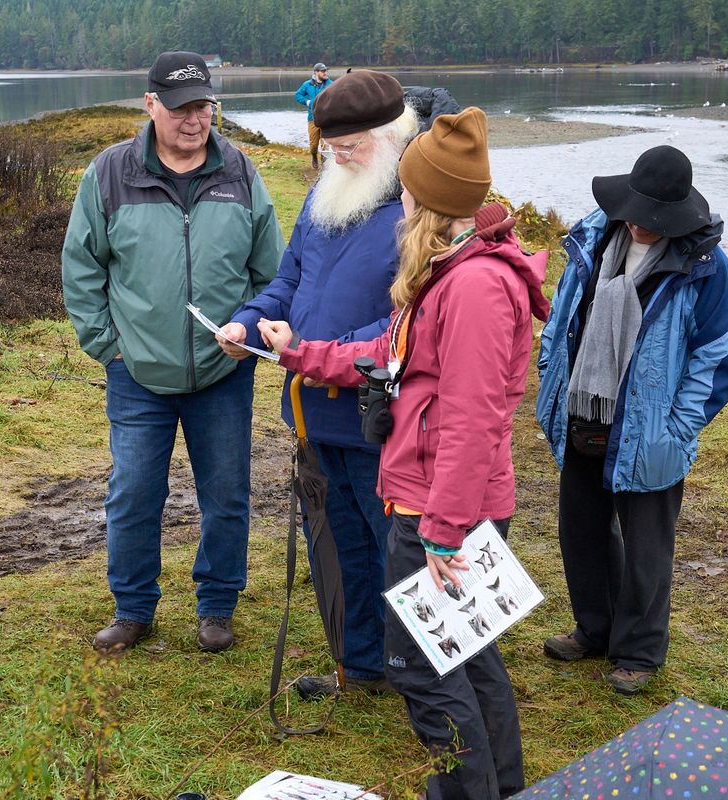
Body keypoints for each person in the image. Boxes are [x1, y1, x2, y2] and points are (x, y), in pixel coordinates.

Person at [259, 107, 548, 800]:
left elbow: (474, 422)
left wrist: (442, 534)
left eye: (411, 187)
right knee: (469, 657)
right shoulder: (451, 270)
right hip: (439, 507)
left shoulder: (475, 286)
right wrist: (299, 352)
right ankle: (499, 787)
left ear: (431, 199)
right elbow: (386, 352)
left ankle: (464, 790)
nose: (402, 196)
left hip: (442, 516)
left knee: (422, 667)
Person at [61, 51, 284, 655]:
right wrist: (109, 348)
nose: (195, 118)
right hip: (137, 375)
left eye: (204, 105)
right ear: (150, 104)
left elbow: (273, 274)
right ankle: (133, 610)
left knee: (227, 493)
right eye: (182, 106)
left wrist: (251, 329)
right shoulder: (108, 174)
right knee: (133, 492)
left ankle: (216, 607)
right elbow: (82, 269)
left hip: (223, 374)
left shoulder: (240, 172)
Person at [217, 70, 420, 699]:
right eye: (332, 146)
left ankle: (413, 672)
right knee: (338, 549)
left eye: (351, 146)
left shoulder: (417, 210)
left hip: (378, 416)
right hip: (311, 411)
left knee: (395, 553)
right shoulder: (323, 195)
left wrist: (313, 353)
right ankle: (359, 668)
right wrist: (247, 322)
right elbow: (289, 283)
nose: (339, 157)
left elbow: (405, 320)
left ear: (391, 135)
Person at [534, 144, 728, 695]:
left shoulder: (706, 269)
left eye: (658, 220)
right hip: (585, 411)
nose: (644, 227)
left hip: (651, 430)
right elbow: (561, 317)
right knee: (579, 529)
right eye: (638, 214)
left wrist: (678, 428)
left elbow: (716, 359)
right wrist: (551, 370)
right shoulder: (593, 240)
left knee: (648, 545)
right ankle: (594, 629)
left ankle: (640, 651)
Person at [295, 62, 332, 170]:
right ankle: (314, 156)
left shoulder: (330, 84)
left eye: (326, 70)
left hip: (327, 119)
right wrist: (307, 102)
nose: (325, 73)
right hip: (313, 119)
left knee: (326, 144)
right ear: (316, 72)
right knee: (313, 145)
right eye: (323, 71)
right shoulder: (307, 84)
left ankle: (324, 165)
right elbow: (298, 95)